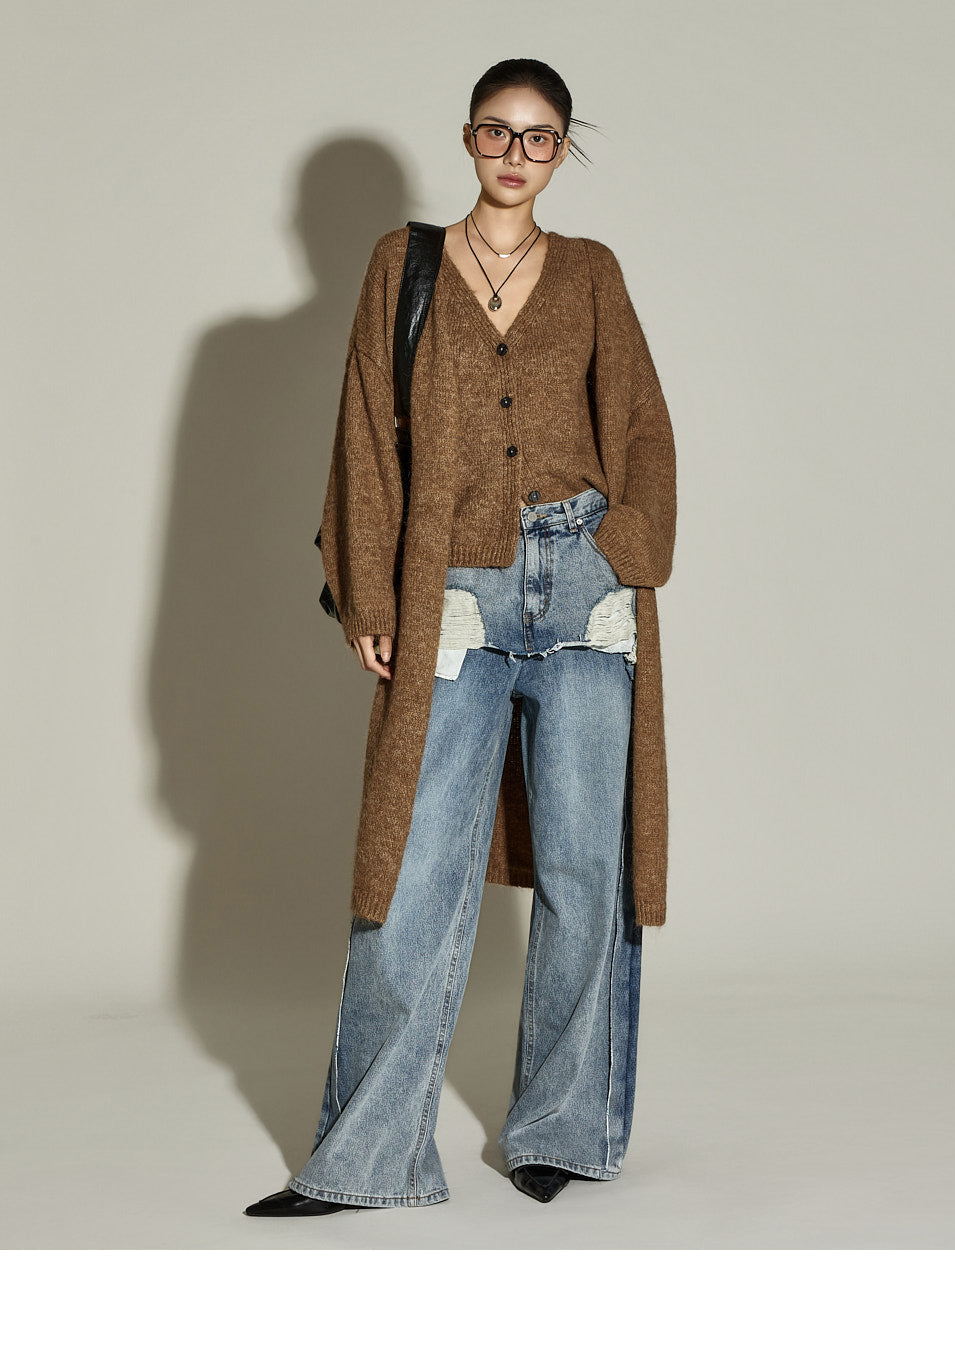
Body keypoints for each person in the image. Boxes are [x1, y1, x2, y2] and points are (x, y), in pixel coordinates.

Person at [245, 57, 677, 1217]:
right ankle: (365, 1160)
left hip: (583, 591)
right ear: (470, 137)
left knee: (587, 871)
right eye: (497, 131)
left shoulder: (591, 273)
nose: (515, 155)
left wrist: (628, 549)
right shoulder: (405, 265)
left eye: (539, 137)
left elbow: (640, 421)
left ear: (562, 150)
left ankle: (560, 1131)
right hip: (457, 595)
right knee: (412, 870)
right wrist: (371, 598)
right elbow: (365, 434)